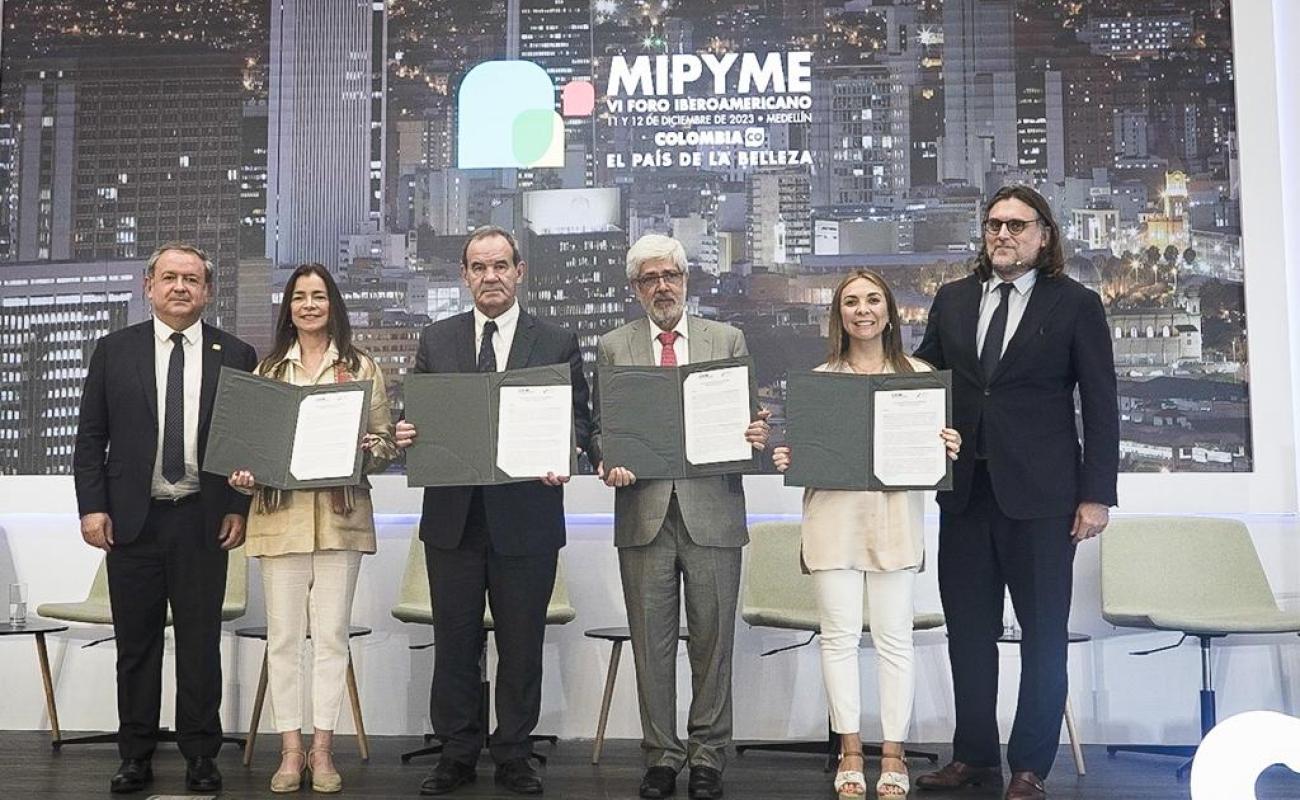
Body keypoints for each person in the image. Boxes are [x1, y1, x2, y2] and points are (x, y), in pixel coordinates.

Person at [913, 185, 1118, 800]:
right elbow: (919, 381)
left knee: (1043, 636)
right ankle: (973, 756)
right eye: (994, 224)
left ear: (1043, 234)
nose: (1003, 235)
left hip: (1047, 500)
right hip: (966, 496)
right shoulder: (950, 300)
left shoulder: (1076, 303)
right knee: (968, 634)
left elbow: (1101, 405)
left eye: (1017, 225)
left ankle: (1029, 767)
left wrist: (1096, 495)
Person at [394, 225, 592, 796]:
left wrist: (567, 450)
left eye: (500, 265)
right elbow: (423, 418)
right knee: (454, 643)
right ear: (464, 276)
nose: (490, 277)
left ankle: (514, 753)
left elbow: (578, 418)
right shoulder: (439, 339)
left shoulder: (555, 340)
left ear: (519, 271)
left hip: (527, 517)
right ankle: (455, 753)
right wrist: (411, 433)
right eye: (478, 267)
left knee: (522, 643)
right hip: (453, 520)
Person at [591, 233, 771, 800]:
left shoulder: (728, 338)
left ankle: (708, 756)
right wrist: (607, 459)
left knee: (714, 642)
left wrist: (755, 434)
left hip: (712, 507)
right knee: (652, 643)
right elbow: (603, 427)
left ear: (687, 280)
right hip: (643, 509)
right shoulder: (614, 346)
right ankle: (661, 756)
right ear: (635, 288)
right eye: (649, 278)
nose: (661, 286)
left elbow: (746, 419)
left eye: (670, 275)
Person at [73, 242, 257, 794]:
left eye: (193, 280)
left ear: (208, 291)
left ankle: (202, 756)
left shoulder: (237, 353)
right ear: (148, 286)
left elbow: (247, 441)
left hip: (203, 520)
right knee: (136, 646)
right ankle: (135, 755)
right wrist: (92, 506)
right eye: (170, 278)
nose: (181, 287)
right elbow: (90, 438)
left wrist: (239, 506)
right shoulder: (113, 350)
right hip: (133, 522)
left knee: (201, 646)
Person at [771, 270, 961, 800]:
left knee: (895, 641)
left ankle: (893, 755)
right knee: (838, 640)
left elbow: (931, 458)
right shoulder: (820, 379)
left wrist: (945, 445)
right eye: (851, 301)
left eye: (873, 299)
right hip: (832, 521)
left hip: (895, 521)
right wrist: (793, 456)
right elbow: (805, 455)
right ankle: (851, 751)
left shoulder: (921, 376)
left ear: (889, 311)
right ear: (839, 314)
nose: (863, 309)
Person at [226, 263, 397, 794]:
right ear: (289, 308)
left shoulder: (361, 366)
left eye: (318, 295)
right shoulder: (269, 370)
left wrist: (375, 450)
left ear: (333, 304)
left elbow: (386, 442)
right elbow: (248, 449)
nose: (308, 305)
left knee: (329, 639)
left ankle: (323, 750)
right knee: (281, 640)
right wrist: (244, 473)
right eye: (299, 296)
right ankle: (290, 750)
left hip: (341, 521)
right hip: (280, 520)